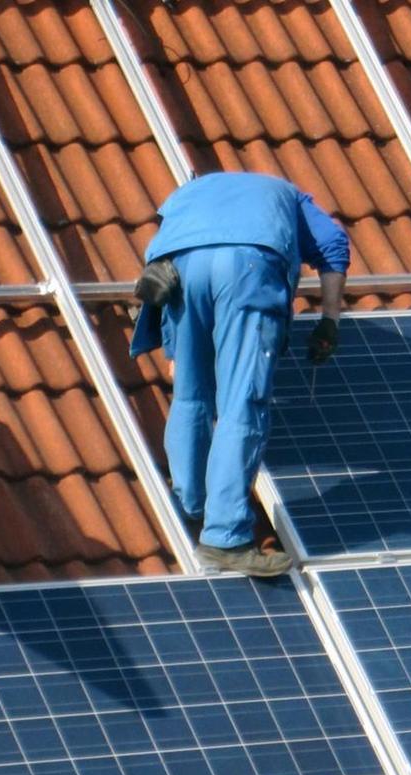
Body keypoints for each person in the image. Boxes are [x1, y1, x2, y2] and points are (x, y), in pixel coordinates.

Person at [130, 171, 349, 577]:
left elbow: (161, 247)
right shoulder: (292, 195)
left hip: (179, 268)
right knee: (241, 404)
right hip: (247, 268)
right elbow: (333, 245)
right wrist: (330, 320)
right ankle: (226, 536)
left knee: (191, 395)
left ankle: (192, 502)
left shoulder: (190, 190)